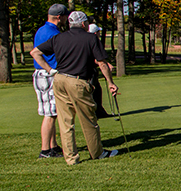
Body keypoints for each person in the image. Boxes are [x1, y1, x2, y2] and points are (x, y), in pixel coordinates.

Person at [30, 11, 119, 165]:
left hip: (59, 81)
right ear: (84, 24)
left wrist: (50, 70)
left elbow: (35, 53)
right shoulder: (91, 38)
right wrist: (111, 82)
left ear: (70, 23)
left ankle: (71, 158)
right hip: (78, 82)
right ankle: (97, 153)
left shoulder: (59, 37)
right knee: (89, 120)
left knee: (65, 122)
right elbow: (102, 63)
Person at [33, 3, 69, 159]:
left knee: (51, 112)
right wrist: (50, 70)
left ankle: (53, 146)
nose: (67, 20)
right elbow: (36, 53)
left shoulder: (42, 30)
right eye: (66, 16)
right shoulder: (53, 33)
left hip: (40, 74)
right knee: (50, 114)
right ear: (59, 17)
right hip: (48, 75)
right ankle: (45, 150)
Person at [88, 23, 112, 119]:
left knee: (97, 90)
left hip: (93, 70)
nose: (99, 33)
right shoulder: (91, 41)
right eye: (98, 32)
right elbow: (93, 58)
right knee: (92, 92)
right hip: (88, 71)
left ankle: (100, 112)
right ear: (95, 33)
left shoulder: (93, 41)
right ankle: (93, 114)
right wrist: (106, 65)